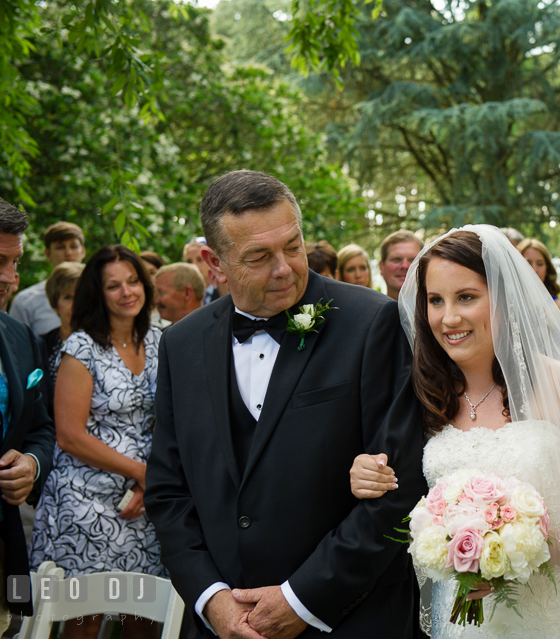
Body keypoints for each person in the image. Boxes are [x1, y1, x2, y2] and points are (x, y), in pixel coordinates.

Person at [348, 226, 560, 639]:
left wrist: (513, 552)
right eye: (435, 300)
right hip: (461, 623)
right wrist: (365, 472)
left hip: (557, 618)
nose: (448, 318)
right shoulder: (426, 395)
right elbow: (398, 480)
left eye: (466, 297)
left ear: (503, 298)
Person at [145, 170, 426, 639]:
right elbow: (168, 491)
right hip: (224, 625)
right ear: (215, 263)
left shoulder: (371, 322)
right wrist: (212, 599)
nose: (284, 268)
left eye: (292, 246)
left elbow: (400, 484)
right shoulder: (181, 343)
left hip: (348, 618)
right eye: (258, 256)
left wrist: (302, 598)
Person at [30, 245, 165, 639]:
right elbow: (70, 436)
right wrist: (142, 472)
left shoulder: (161, 341)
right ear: (97, 292)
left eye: (133, 281)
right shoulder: (82, 347)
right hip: (86, 499)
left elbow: (170, 420)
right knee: (84, 619)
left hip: (145, 501)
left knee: (145, 616)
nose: (127, 292)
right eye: (113, 286)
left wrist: (151, 479)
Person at [0, 196, 55, 635]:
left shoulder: (19, 335)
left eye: (13, 263)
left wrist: (31, 464)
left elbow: (41, 428)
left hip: (3, 549)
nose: (7, 278)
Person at [10, 221, 85, 336]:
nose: (68, 252)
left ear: (83, 251)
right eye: (60, 247)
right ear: (48, 253)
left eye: (73, 246)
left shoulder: (102, 293)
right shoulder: (25, 301)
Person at [38, 262, 85, 420]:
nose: (77, 304)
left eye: (81, 296)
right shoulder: (40, 346)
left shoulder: (109, 343)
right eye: (68, 297)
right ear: (55, 306)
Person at [518, 238, 560, 319]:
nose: (534, 269)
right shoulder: (505, 301)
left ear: (547, 268)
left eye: (540, 264)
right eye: (527, 263)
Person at [377, 230, 422, 301]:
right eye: (396, 259)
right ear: (381, 267)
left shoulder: (440, 310)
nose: (405, 266)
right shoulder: (367, 310)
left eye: (413, 260)